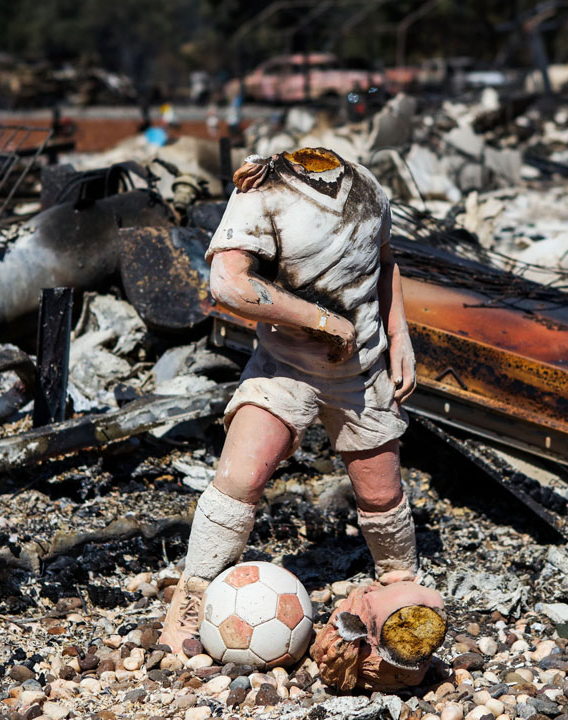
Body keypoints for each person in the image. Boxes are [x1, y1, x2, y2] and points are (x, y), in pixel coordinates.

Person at [161, 147, 418, 653]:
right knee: (238, 480)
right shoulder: (263, 191)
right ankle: (192, 604)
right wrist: (322, 321)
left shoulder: (366, 185)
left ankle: (400, 593)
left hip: (360, 369)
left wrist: (399, 335)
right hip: (285, 366)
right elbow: (228, 283)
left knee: (382, 496)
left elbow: (385, 264)